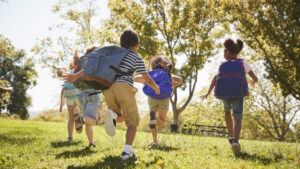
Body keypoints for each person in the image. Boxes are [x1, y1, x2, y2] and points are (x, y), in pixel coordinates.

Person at [64, 29, 160, 160]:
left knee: (120, 117)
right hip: (123, 87)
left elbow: (92, 68)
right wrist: (155, 87)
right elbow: (146, 77)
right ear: (137, 44)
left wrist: (75, 76)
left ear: (121, 43)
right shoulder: (136, 57)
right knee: (133, 122)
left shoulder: (114, 54)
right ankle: (127, 152)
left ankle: (113, 115)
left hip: (108, 88)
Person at [200, 38, 258, 154]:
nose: (223, 54)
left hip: (225, 95)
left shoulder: (222, 65)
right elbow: (255, 78)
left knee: (227, 113)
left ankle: (231, 137)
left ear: (227, 52)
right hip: (238, 94)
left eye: (224, 51)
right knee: (237, 117)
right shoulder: (243, 63)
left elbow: (216, 78)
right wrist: (252, 82)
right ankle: (235, 141)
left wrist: (208, 92)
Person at [134, 56, 182, 146]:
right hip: (164, 97)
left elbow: (137, 78)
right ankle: (155, 119)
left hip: (152, 96)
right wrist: (172, 85)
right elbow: (180, 79)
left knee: (153, 122)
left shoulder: (150, 73)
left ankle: (155, 141)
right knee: (161, 122)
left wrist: (144, 82)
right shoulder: (167, 74)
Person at [57, 49, 81, 142]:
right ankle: (79, 114)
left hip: (68, 94)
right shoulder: (79, 71)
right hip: (77, 93)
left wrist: (61, 105)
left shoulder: (70, 71)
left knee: (70, 118)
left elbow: (62, 89)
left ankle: (70, 137)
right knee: (83, 108)